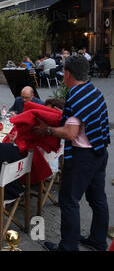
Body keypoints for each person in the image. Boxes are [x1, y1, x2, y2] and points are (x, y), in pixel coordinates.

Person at [32, 55, 110, 251]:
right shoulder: (95, 91)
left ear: (67, 74)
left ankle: (68, 247)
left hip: (82, 156)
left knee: (69, 201)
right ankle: (98, 241)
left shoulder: (75, 95)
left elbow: (70, 133)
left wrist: (47, 130)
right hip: (99, 151)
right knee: (98, 199)